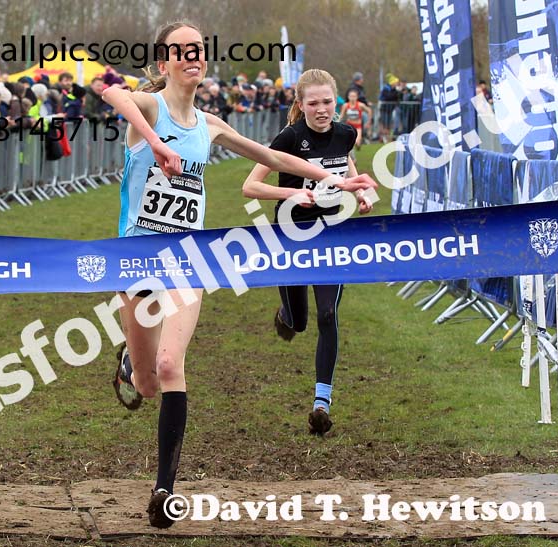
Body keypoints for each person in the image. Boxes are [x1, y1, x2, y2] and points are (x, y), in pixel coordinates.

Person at [101, 22, 376, 529]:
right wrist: (155, 144)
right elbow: (112, 93)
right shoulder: (151, 108)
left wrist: (334, 179)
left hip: (188, 259)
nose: (192, 57)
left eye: (198, 50)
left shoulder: (210, 125)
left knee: (170, 365)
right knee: (146, 383)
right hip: (136, 260)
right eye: (181, 51)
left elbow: (272, 157)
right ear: (163, 63)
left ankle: (164, 490)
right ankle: (128, 366)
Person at [242, 68, 375, 438]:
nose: (321, 109)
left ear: (336, 101)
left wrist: (359, 191)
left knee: (328, 314)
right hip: (292, 236)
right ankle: (285, 314)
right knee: (299, 322)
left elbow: (344, 164)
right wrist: (294, 193)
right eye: (313, 103)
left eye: (327, 102)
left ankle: (322, 403)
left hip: (332, 234)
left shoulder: (346, 133)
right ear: (300, 105)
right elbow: (250, 187)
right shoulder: (289, 138)